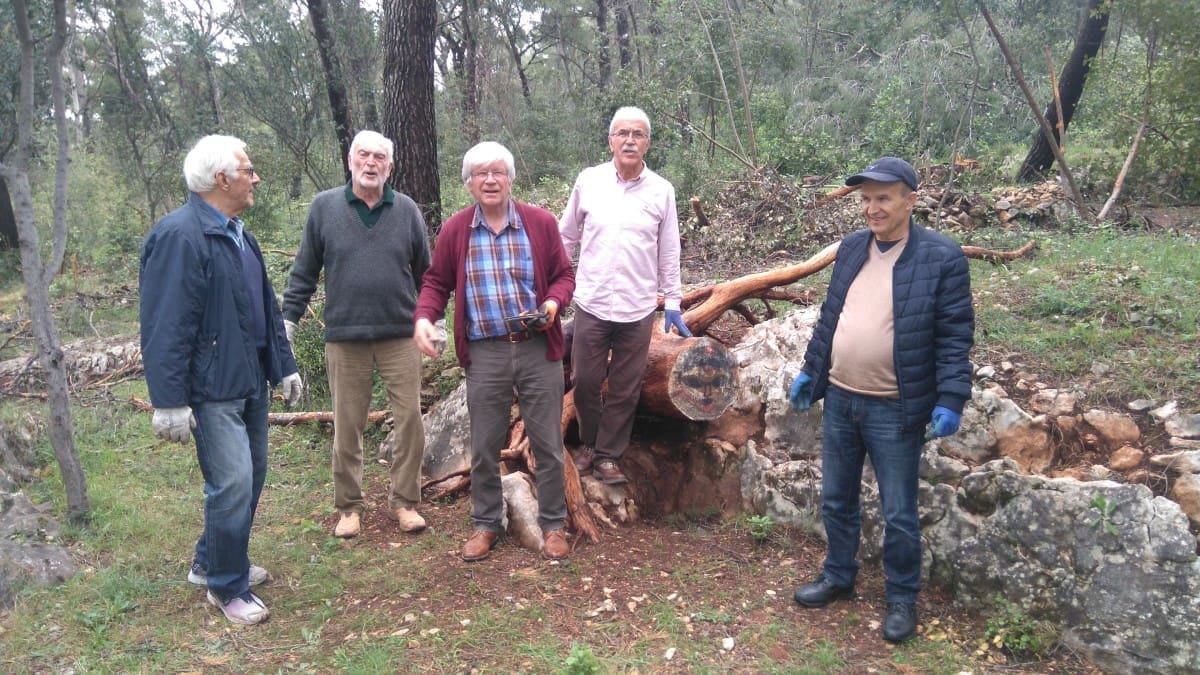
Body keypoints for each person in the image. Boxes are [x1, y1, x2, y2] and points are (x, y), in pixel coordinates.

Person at [787, 157, 975, 643]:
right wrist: (811, 370)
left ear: (910, 200)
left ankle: (902, 598)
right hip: (841, 398)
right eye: (866, 199)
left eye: (883, 198)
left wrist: (951, 398)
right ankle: (838, 575)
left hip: (895, 407)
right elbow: (831, 317)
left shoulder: (942, 257)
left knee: (899, 512)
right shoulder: (852, 248)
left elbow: (954, 337)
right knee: (836, 499)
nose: (872, 208)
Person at [140, 134, 303, 625]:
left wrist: (284, 365)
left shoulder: (238, 234)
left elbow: (264, 308)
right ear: (221, 179)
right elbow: (166, 324)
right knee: (231, 483)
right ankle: (226, 586)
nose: (256, 178)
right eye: (248, 170)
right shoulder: (179, 236)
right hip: (211, 389)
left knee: (251, 477)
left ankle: (210, 560)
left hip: (249, 380)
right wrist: (169, 401)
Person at [413, 141, 575, 562]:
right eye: (481, 174)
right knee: (484, 445)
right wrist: (424, 318)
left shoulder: (539, 223)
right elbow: (436, 283)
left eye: (498, 172)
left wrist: (552, 304)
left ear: (510, 179)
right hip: (485, 352)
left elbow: (564, 276)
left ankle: (553, 525)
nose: (490, 180)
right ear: (469, 183)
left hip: (538, 348)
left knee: (547, 443)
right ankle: (486, 523)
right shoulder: (456, 230)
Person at [283, 130, 431, 539]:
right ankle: (348, 507)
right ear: (350, 161)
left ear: (390, 166)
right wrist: (288, 320)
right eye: (363, 155)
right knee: (348, 424)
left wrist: (430, 319)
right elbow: (304, 270)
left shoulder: (406, 210)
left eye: (379, 157)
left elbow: (427, 274)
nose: (370, 163)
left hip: (400, 334)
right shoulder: (325, 207)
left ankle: (406, 502)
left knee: (410, 420)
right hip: (345, 336)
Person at [559, 106, 690, 486]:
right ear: (611, 140)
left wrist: (673, 300)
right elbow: (566, 236)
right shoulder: (589, 181)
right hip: (593, 302)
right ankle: (589, 443)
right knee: (585, 380)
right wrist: (553, 283)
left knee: (625, 387)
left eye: (638, 134)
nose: (630, 141)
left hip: (638, 307)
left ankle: (607, 456)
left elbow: (669, 250)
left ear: (648, 143)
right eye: (623, 133)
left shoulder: (662, 190)